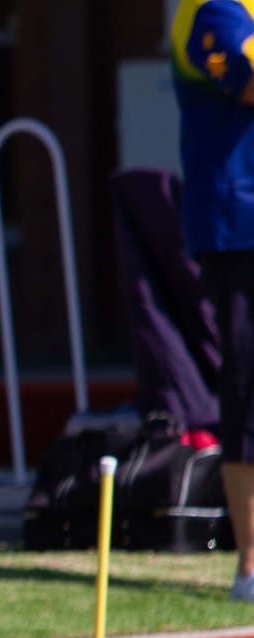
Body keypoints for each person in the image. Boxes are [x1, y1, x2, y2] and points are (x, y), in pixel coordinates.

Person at [173, 1, 254, 599]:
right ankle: (251, 567)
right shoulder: (215, 9)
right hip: (241, 229)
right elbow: (249, 81)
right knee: (249, 388)